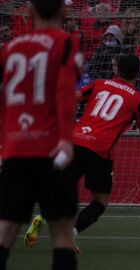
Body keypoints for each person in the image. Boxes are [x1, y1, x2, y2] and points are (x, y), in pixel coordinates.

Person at [24, 54, 140, 253]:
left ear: (117, 70)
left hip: (75, 140)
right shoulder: (137, 99)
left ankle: (42, 216)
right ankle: (71, 234)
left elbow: (73, 97)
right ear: (139, 73)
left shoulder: (99, 84)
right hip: (100, 151)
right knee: (99, 201)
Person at [0, 0, 82, 269]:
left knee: (5, 232)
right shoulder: (66, 43)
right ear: (63, 11)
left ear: (29, 12)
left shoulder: (9, 48)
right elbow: (65, 92)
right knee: (61, 235)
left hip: (14, 150)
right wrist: (65, 139)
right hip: (50, 150)